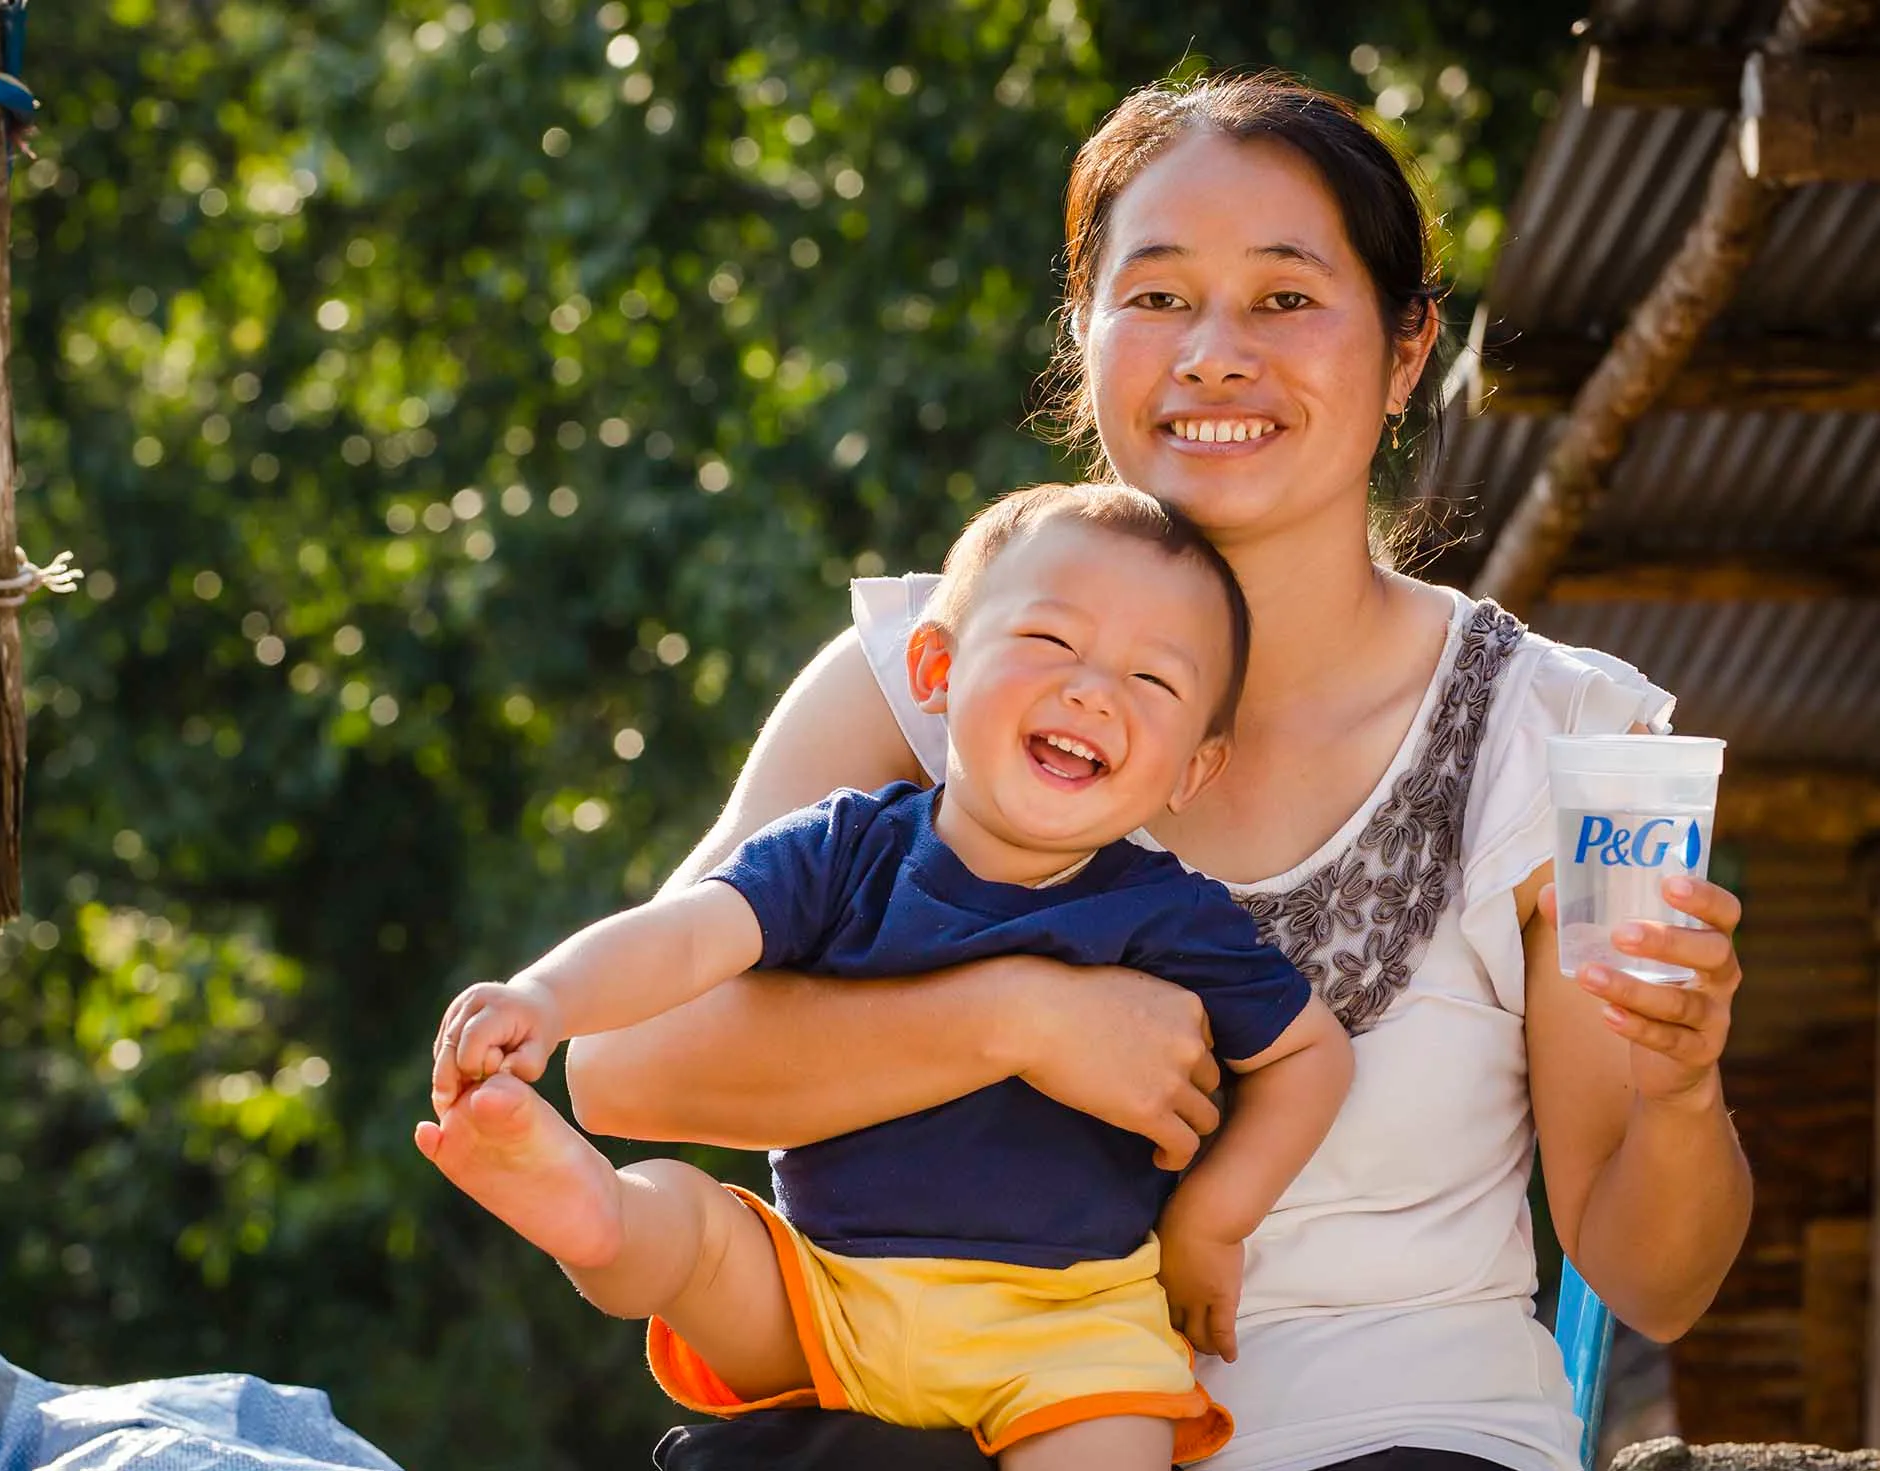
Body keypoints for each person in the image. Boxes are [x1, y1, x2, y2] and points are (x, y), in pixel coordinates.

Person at [560, 74, 1754, 1471]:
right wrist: (1016, 1014)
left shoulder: (1578, 739)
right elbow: (624, 1063)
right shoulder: (925, 673)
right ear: (1086, 332)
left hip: (1396, 1433)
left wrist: (1681, 1093)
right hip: (946, 1411)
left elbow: (1658, 1277)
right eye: (1161, 295)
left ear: (1408, 346)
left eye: (1288, 299)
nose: (1216, 354)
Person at [418, 484, 1354, 1468]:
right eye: (1048, 640)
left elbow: (1306, 1053)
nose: (1091, 691)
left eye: (1151, 681)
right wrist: (548, 997)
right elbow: (688, 939)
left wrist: (1212, 1220)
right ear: (935, 668)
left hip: (1066, 1327)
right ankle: (588, 1218)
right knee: (682, 1221)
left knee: (1114, 1441)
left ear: (1190, 771)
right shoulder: (842, 850)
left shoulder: (1169, 913)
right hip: (831, 1289)